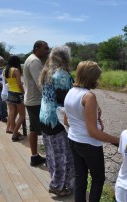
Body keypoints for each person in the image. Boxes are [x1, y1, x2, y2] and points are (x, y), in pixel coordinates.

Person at [64, 61, 120, 202]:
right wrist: (119, 140)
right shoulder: (88, 96)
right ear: (91, 77)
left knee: (80, 177)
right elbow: (93, 133)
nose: (98, 80)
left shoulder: (70, 91)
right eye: (97, 77)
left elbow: (66, 121)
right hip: (89, 145)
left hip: (73, 140)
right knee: (98, 179)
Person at [38, 45, 74, 196]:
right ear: (65, 58)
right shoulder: (63, 75)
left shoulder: (47, 72)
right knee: (63, 155)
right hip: (57, 121)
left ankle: (56, 180)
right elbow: (67, 102)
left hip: (44, 117)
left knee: (51, 154)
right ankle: (57, 186)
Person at [23, 40, 49, 166]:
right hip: (36, 101)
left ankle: (34, 157)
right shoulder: (34, 61)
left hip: (31, 100)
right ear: (37, 48)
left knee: (33, 129)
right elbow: (41, 84)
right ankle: (51, 158)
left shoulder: (32, 59)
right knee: (46, 131)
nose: (47, 50)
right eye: (45, 48)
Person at [4, 56, 26, 142]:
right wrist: (23, 93)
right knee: (22, 115)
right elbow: (19, 84)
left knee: (12, 114)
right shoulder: (16, 70)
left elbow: (7, 82)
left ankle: (12, 129)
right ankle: (15, 134)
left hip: (10, 93)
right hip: (17, 93)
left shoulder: (5, 70)